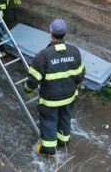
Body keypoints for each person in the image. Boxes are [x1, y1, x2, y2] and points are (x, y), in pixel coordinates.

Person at [23, 19, 85, 156]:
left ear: (51, 33)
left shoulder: (43, 55)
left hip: (50, 99)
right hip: (69, 96)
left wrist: (27, 89)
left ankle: (49, 150)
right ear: (65, 34)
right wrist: (76, 88)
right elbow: (81, 75)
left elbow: (33, 80)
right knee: (64, 117)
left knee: (49, 121)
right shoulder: (75, 52)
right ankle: (63, 142)